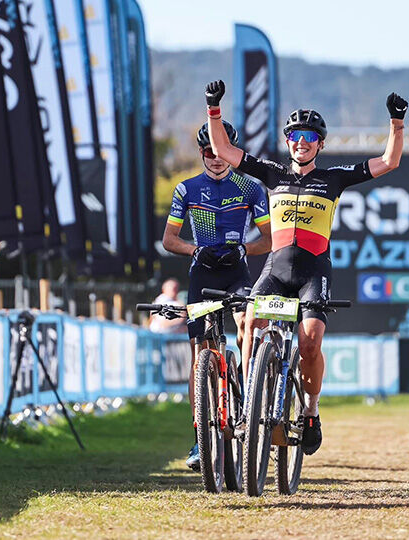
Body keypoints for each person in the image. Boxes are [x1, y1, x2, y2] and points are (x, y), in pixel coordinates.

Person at [204, 79, 407, 455]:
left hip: (313, 274)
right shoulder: (271, 174)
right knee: (249, 321)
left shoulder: (333, 178)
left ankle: (310, 411)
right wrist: (213, 108)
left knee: (310, 344)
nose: (302, 141)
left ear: (320, 143)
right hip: (276, 270)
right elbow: (223, 149)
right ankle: (250, 402)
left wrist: (396, 123)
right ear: (287, 141)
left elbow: (390, 162)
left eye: (310, 136)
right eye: (295, 135)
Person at [161, 119, 272, 471]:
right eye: (208, 152)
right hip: (202, 272)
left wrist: (243, 248)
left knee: (247, 324)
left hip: (237, 272)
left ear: (232, 152)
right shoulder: (186, 189)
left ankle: (249, 397)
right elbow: (169, 240)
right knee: (200, 357)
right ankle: (199, 439)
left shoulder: (252, 189)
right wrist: (195, 250)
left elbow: (268, 240)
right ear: (201, 153)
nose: (215, 158)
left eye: (221, 151)